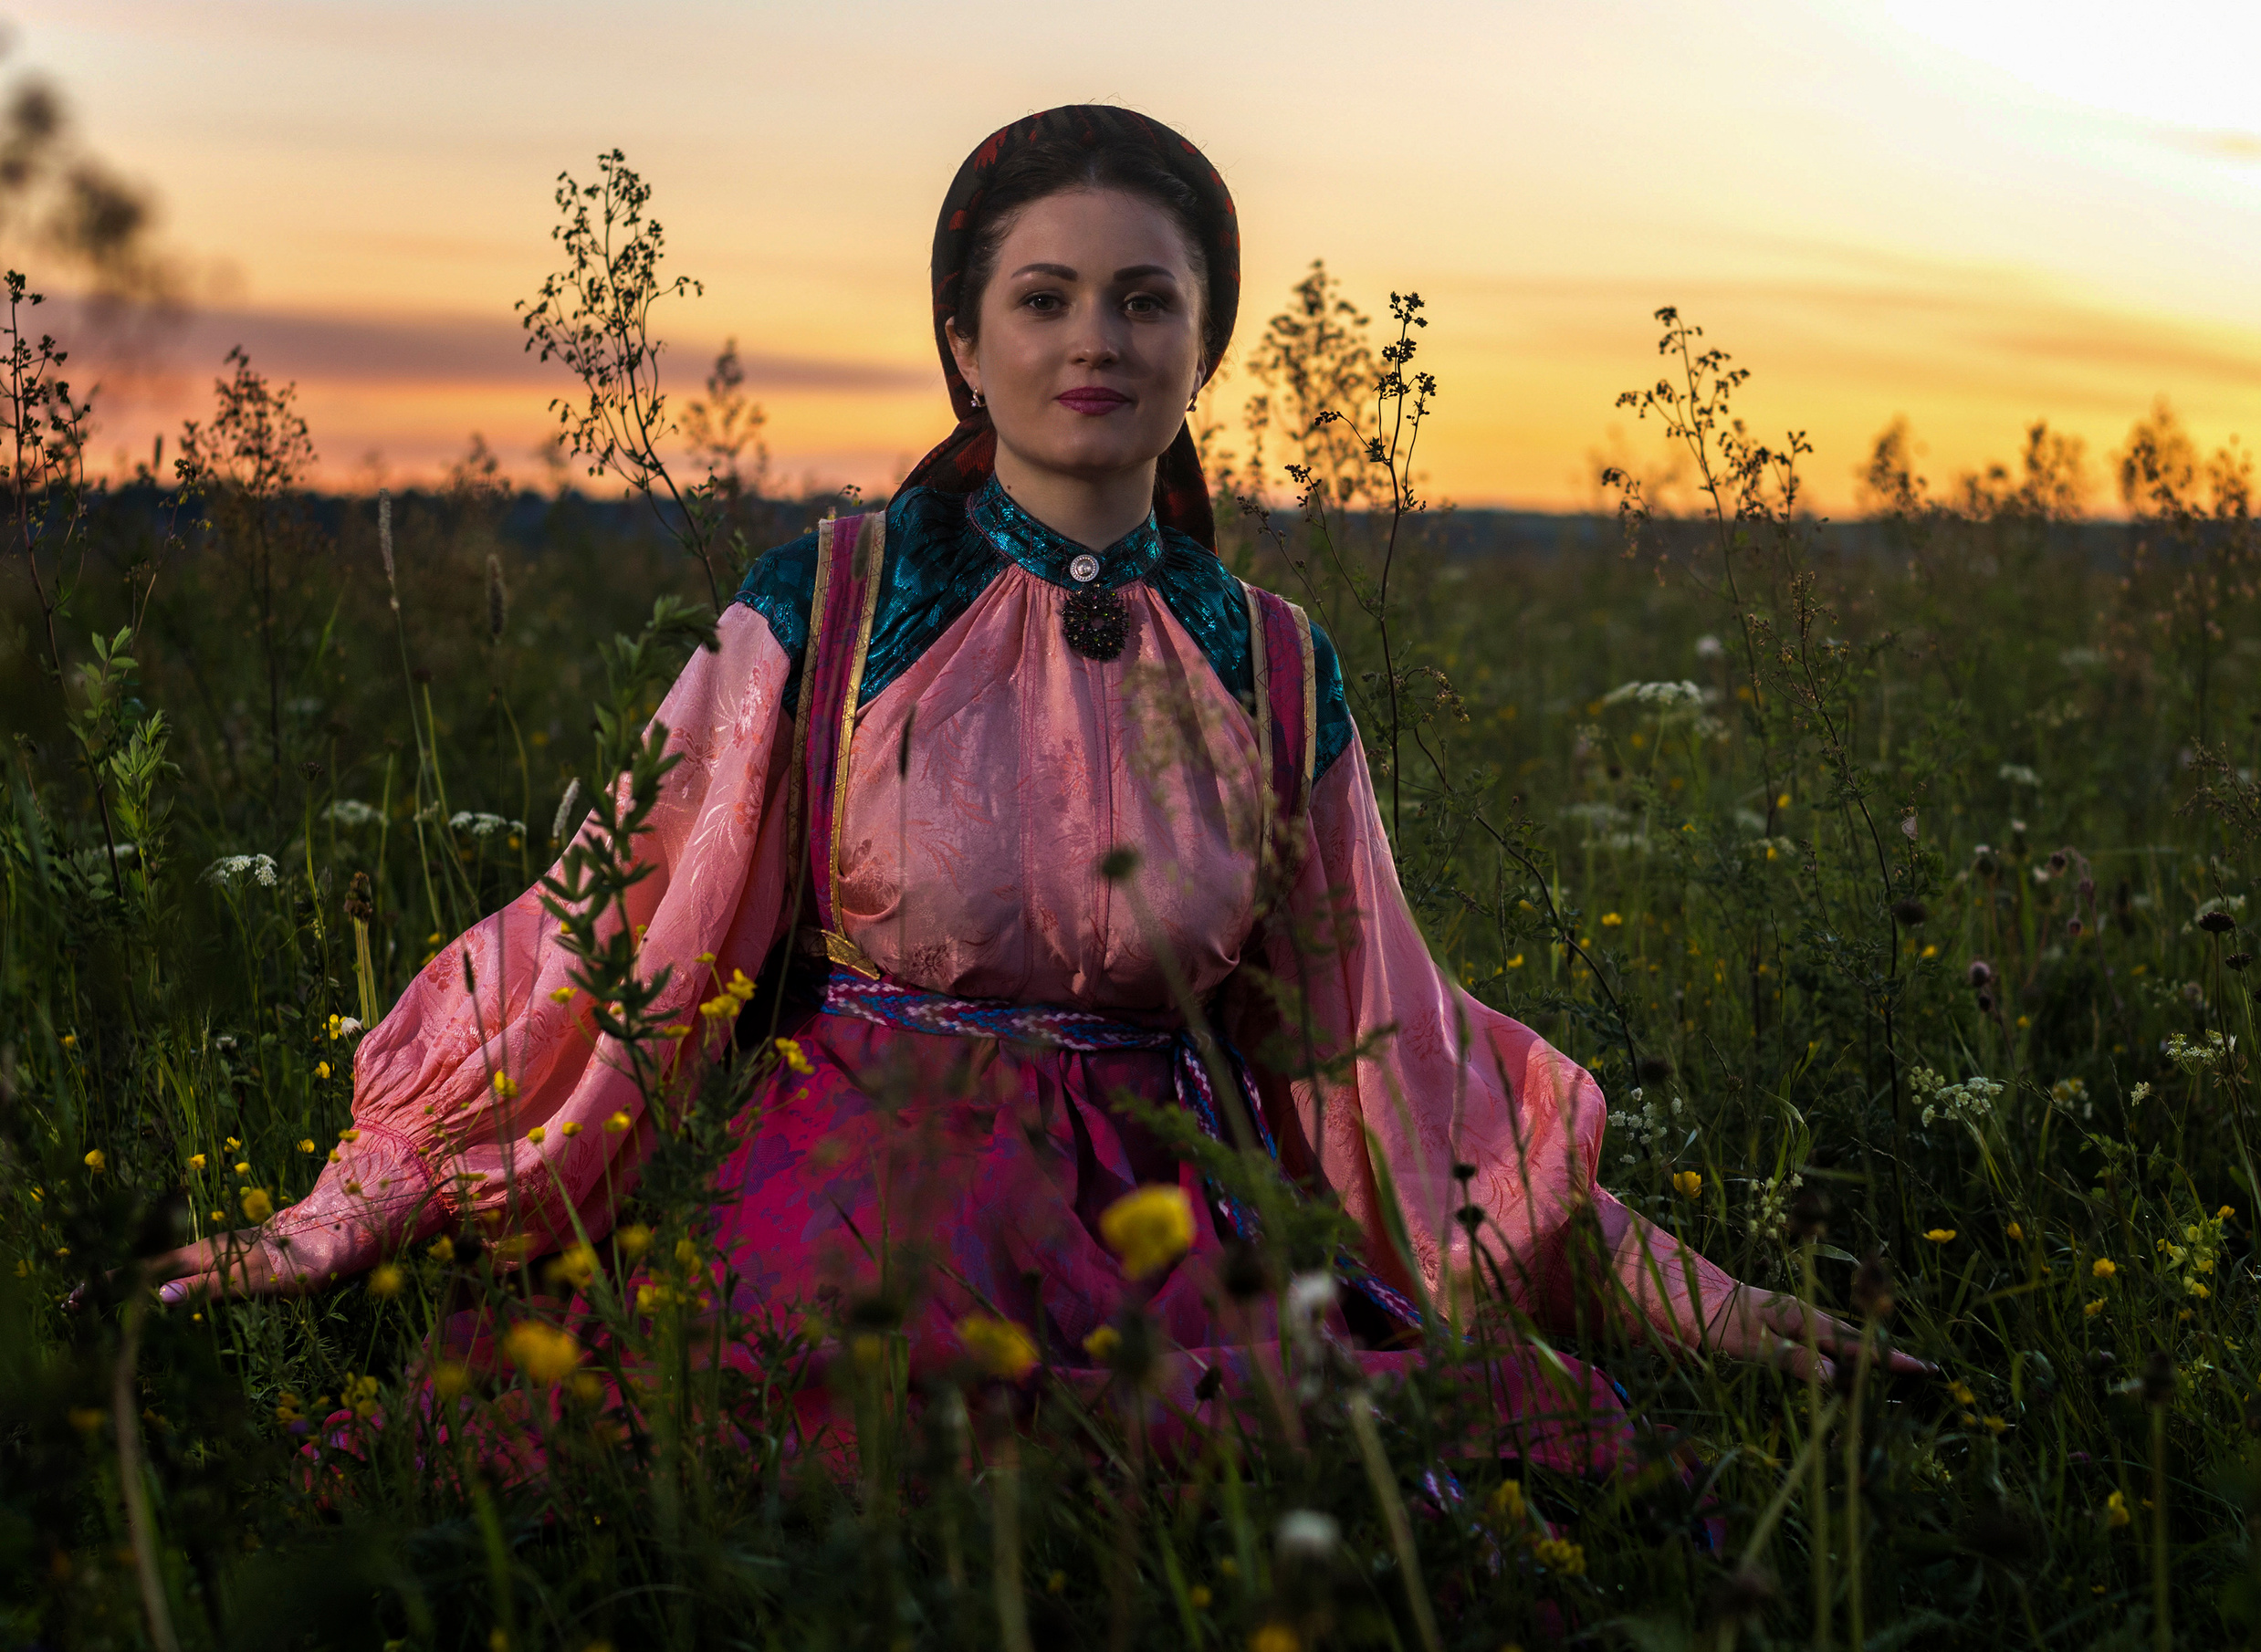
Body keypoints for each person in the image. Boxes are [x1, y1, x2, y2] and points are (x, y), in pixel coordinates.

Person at [150, 107, 1920, 1459]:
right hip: (858, 1188)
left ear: (1204, 346)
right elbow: (618, 922)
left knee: (1339, 1466)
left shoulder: (1269, 658)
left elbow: (1379, 1045)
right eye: (1046, 296)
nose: (1098, 337)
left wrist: (1676, 1280)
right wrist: (364, 1193)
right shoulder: (834, 602)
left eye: (1146, 300)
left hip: (1166, 1203)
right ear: (963, 341)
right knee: (838, 1455)